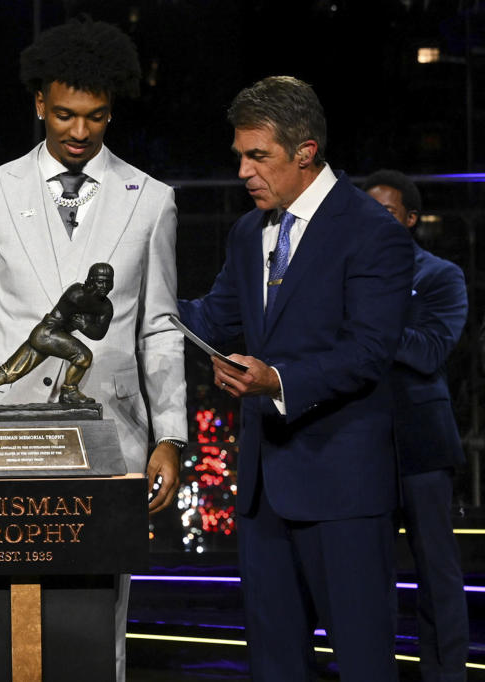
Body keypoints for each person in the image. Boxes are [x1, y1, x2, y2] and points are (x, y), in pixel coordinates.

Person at [0, 18, 187, 681]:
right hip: (1, 440)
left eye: (96, 118)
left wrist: (172, 437)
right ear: (40, 103)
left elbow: (158, 327)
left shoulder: (153, 201)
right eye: (66, 115)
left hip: (113, 440)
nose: (79, 133)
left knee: (96, 628)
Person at [177, 76, 413, 680]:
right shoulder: (246, 232)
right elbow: (214, 316)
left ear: (305, 152)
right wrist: (139, 304)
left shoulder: (371, 231)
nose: (244, 172)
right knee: (275, 665)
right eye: (240, 156)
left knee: (362, 661)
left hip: (342, 491)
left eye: (258, 156)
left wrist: (277, 380)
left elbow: (369, 349)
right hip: (263, 494)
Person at [363, 169, 469, 682]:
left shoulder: (441, 276)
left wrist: (368, 326)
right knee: (371, 579)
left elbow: (428, 351)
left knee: (438, 575)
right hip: (362, 449)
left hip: (423, 448)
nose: (371, 221)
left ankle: (445, 674)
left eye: (384, 212)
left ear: (408, 219)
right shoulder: (348, 277)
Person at [0, 262, 114, 406]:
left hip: (45, 336)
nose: (104, 286)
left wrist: (85, 325)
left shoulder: (106, 307)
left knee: (10, 372)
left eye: (108, 282)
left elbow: (99, 333)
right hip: (47, 333)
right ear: (91, 281)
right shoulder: (76, 293)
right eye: (100, 282)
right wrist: (85, 324)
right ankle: (69, 391)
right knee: (83, 356)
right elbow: (67, 320)